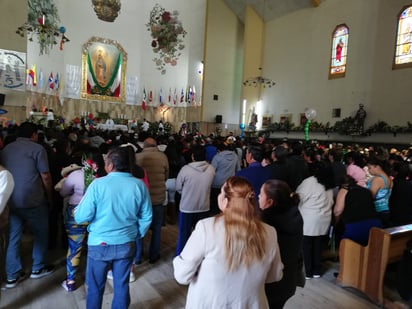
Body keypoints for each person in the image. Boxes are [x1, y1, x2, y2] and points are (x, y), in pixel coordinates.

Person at [173, 176, 283, 308]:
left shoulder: (206, 228)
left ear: (225, 201)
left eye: (221, 192)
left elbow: (182, 275)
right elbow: (274, 275)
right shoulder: (270, 232)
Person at [74, 146, 152, 309]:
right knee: (122, 286)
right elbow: (147, 216)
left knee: (95, 288)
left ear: (109, 165)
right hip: (126, 243)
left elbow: (81, 216)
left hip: (99, 244)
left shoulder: (97, 185)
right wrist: (137, 233)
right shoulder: (139, 185)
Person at [1, 122, 55, 288]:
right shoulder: (37, 149)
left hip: (11, 198)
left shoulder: (6, 149)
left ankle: (12, 275)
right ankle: (37, 268)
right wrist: (50, 196)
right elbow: (45, 175)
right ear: (34, 135)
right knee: (40, 233)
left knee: (14, 236)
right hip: (33, 198)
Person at [58, 149, 106, 292]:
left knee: (74, 247)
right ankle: (94, 278)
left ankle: (71, 281)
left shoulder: (76, 174)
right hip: (97, 215)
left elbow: (63, 192)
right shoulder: (104, 178)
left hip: (76, 213)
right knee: (96, 246)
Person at [259, 179, 304, 309]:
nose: (258, 196)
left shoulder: (264, 222)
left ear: (270, 202)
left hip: (268, 283)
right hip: (288, 282)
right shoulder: (295, 215)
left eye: (261, 194)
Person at [296, 162, 334, 279]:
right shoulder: (329, 182)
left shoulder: (310, 181)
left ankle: (308, 272)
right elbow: (331, 201)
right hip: (324, 219)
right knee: (318, 246)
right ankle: (317, 271)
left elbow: (299, 197)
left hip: (309, 220)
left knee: (306, 246)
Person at [175, 145, 215, 255]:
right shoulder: (211, 169)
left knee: (184, 235)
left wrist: (186, 193)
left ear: (192, 156)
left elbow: (178, 187)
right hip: (204, 206)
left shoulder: (186, 169)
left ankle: (182, 256)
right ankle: (199, 257)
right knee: (201, 235)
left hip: (187, 207)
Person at [135, 137, 169, 264]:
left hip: (141, 199)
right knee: (157, 228)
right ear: (155, 145)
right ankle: (153, 255)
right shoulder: (163, 157)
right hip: (158, 197)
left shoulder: (137, 157)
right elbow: (166, 175)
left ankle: (137, 257)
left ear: (144, 145)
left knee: (139, 227)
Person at [334, 175, 382, 246]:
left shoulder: (344, 190)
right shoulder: (366, 190)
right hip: (375, 226)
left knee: (345, 247)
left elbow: (338, 211)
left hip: (355, 227)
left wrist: (335, 223)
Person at [366, 155, 393, 227]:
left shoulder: (377, 179)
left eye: (369, 168)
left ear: (377, 166)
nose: (368, 170)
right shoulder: (389, 178)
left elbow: (370, 196)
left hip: (377, 210)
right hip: (386, 209)